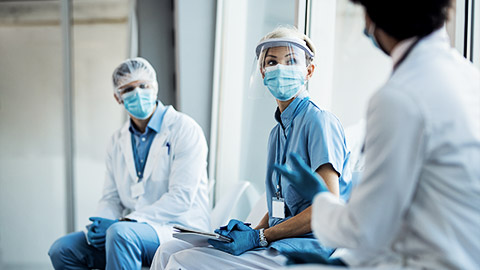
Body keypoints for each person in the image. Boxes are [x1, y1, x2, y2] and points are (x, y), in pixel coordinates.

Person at [275, 0, 480, 269]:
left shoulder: (399, 97)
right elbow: (403, 216)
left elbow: (365, 228)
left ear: (373, 18)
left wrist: (320, 199)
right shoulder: (468, 76)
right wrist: (347, 261)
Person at [150, 26, 352, 270]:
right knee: (167, 250)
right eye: (272, 62)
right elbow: (280, 204)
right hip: (277, 241)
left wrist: (259, 237)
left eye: (290, 61)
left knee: (184, 261)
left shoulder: (319, 121)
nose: (280, 68)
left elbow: (325, 207)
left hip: (303, 247)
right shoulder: (277, 133)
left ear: (308, 71)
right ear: (262, 71)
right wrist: (250, 232)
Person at [48, 57, 211, 269]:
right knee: (63, 249)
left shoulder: (185, 129)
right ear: (117, 98)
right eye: (128, 89)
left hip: (178, 231)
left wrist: (122, 223)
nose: (138, 93)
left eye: (144, 86)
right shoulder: (117, 140)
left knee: (120, 234)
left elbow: (180, 198)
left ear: (155, 87)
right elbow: (111, 197)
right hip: (132, 232)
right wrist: (100, 224)